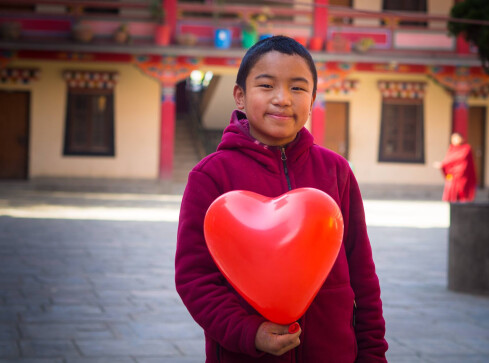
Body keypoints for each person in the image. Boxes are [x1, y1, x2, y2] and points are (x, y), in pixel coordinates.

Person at [175, 35, 388, 362]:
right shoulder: (211, 177)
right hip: (244, 354)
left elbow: (362, 273)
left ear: (314, 98)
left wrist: (373, 353)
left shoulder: (336, 171)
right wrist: (251, 332)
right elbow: (195, 278)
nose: (282, 99)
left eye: (298, 88)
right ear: (240, 96)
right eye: (266, 85)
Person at [433, 132, 477, 202]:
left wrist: (443, 164)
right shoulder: (451, 149)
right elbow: (448, 159)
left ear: (462, 139)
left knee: (462, 193)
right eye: (453, 138)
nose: (454, 140)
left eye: (457, 138)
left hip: (462, 175)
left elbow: (458, 158)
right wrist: (443, 165)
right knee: (450, 189)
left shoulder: (466, 149)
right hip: (451, 174)